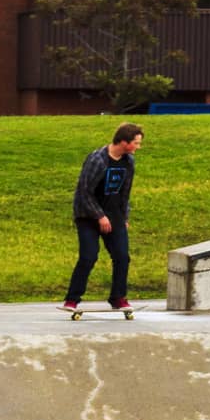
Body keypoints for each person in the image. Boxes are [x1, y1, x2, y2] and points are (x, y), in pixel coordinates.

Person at [62, 124, 145, 315]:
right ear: (124, 142)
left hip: (114, 214)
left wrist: (124, 216)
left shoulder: (129, 161)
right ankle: (72, 299)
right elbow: (84, 192)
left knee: (122, 257)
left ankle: (118, 298)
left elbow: (125, 192)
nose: (138, 147)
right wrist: (99, 216)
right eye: (136, 143)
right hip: (88, 216)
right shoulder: (98, 160)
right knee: (89, 256)